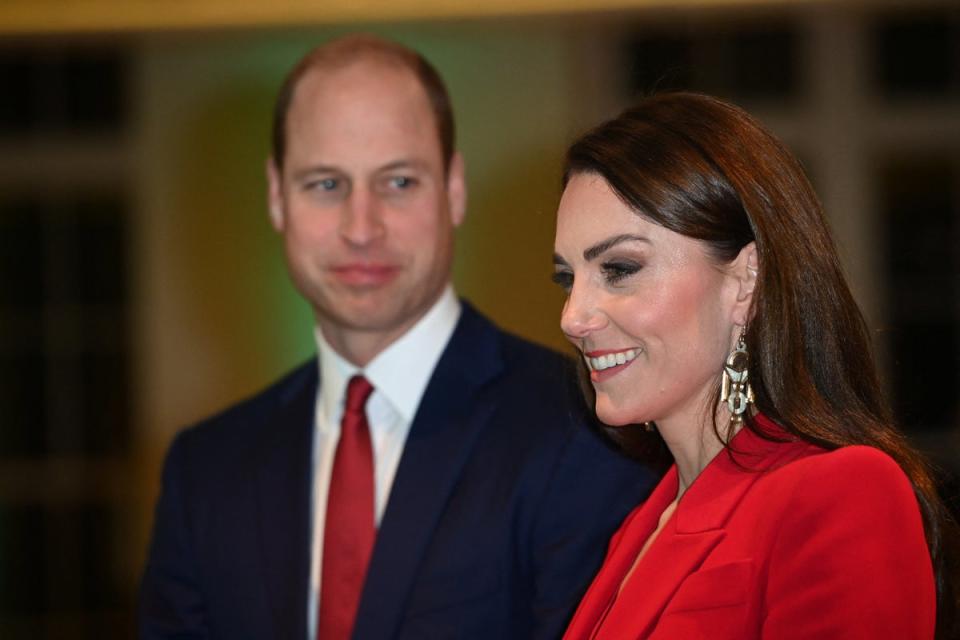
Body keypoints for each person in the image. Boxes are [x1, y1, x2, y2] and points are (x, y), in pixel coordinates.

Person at [139, 34, 655, 640]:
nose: (362, 228)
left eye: (399, 182)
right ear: (277, 197)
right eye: (326, 184)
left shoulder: (585, 429)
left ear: (453, 187)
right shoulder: (205, 471)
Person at [552, 92, 958, 639]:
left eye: (619, 269)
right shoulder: (642, 523)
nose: (573, 317)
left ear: (746, 280)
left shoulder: (841, 492)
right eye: (567, 278)